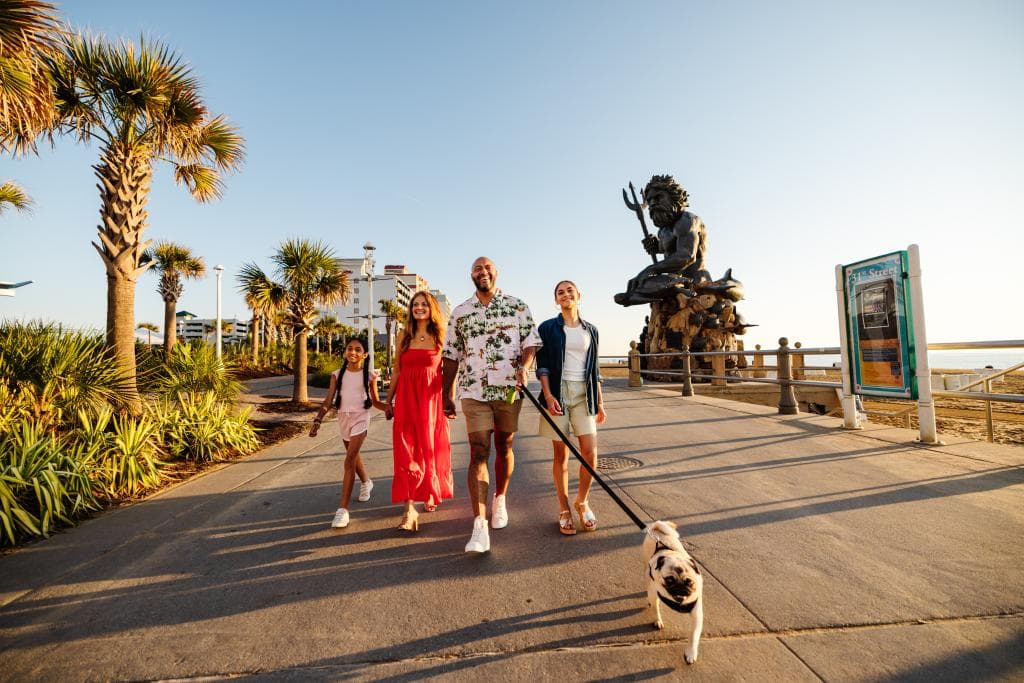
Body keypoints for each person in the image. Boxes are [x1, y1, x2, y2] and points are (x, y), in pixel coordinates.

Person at [442, 256, 541, 553]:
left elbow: (531, 343)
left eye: (487, 268)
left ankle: (500, 498)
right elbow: (450, 354)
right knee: (479, 451)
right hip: (473, 390)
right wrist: (446, 393)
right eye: (476, 269)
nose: (482, 272)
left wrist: (525, 366)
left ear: (496, 273)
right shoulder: (460, 312)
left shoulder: (517, 305)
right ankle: (479, 525)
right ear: (471, 275)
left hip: (509, 388)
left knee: (505, 444)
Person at [535, 280, 607, 535]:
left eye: (569, 291)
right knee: (561, 455)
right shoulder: (547, 328)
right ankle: (564, 508)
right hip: (559, 393)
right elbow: (541, 366)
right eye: (560, 292)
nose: (565, 295)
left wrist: (599, 401)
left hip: (583, 394)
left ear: (579, 295)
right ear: (556, 300)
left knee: (590, 452)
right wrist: (548, 395)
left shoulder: (592, 331)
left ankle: (582, 501)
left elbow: (594, 368)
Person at [383, 291, 454, 532]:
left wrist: (449, 399)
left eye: (424, 304)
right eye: (415, 304)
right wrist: (388, 400)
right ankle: (409, 509)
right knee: (405, 451)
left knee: (429, 448)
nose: (419, 308)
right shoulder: (404, 336)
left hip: (431, 401)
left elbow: (449, 371)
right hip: (405, 399)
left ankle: (431, 490)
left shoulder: (441, 336)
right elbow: (396, 371)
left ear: (432, 308)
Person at [309, 337, 389, 528]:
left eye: (358, 350)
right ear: (345, 352)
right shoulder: (337, 375)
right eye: (349, 349)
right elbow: (329, 400)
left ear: (365, 354)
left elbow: (376, 402)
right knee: (353, 456)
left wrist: (390, 408)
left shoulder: (369, 376)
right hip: (343, 418)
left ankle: (342, 511)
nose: (353, 352)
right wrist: (318, 420)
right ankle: (367, 482)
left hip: (361, 418)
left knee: (349, 459)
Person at [615, 175, 711, 306]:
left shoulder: (687, 221)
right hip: (672, 281)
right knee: (630, 289)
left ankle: (665, 294)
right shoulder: (663, 230)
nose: (653, 203)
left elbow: (686, 256)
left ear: (673, 197)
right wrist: (655, 246)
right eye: (650, 201)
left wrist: (650, 269)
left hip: (696, 281)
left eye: (658, 197)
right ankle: (663, 295)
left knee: (642, 283)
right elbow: (666, 248)